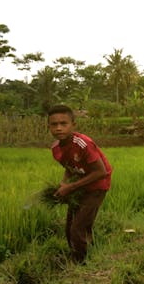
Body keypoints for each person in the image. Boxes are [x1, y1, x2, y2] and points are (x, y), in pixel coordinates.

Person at [47, 104, 112, 263]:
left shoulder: (83, 143)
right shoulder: (56, 149)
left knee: (78, 228)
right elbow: (70, 168)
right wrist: (63, 183)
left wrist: (70, 187)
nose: (59, 128)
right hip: (79, 186)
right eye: (54, 124)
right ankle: (87, 250)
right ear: (48, 127)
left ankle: (79, 263)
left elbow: (100, 171)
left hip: (97, 186)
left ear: (73, 125)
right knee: (70, 226)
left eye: (64, 123)